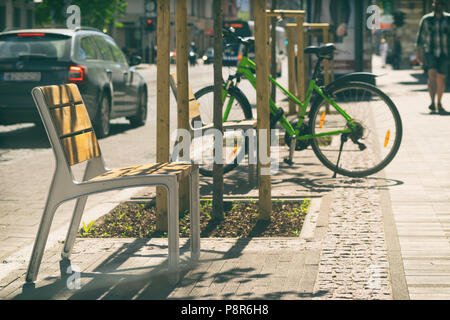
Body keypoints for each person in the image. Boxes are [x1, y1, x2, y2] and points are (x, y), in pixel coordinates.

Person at [416, 0, 450, 114]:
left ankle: (439, 103)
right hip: (430, 52)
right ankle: (432, 102)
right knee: (431, 76)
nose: (437, 5)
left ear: (443, 6)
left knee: (441, 78)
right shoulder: (426, 19)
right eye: (435, 3)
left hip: (445, 53)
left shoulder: (448, 19)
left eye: (440, 3)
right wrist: (418, 54)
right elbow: (420, 38)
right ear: (433, 5)